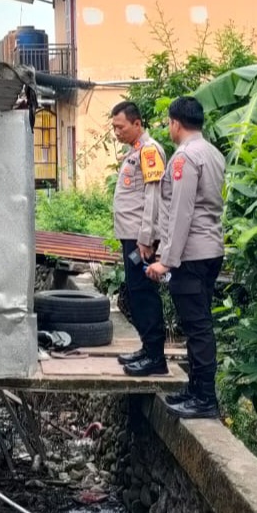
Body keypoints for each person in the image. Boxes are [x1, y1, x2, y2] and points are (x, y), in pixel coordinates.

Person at [145, 96, 226, 419]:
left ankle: (204, 397)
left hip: (191, 255)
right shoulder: (213, 153)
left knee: (197, 327)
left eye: (168, 123)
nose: (169, 128)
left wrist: (167, 259)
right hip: (210, 250)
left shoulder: (185, 158)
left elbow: (181, 212)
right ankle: (195, 391)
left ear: (176, 123)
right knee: (198, 324)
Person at [108, 101, 169, 377]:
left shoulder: (150, 151)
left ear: (136, 124)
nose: (116, 132)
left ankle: (155, 357)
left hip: (140, 240)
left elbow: (153, 196)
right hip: (131, 237)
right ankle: (147, 349)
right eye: (114, 127)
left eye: (120, 127)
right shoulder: (135, 152)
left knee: (144, 294)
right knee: (136, 293)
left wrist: (147, 239)